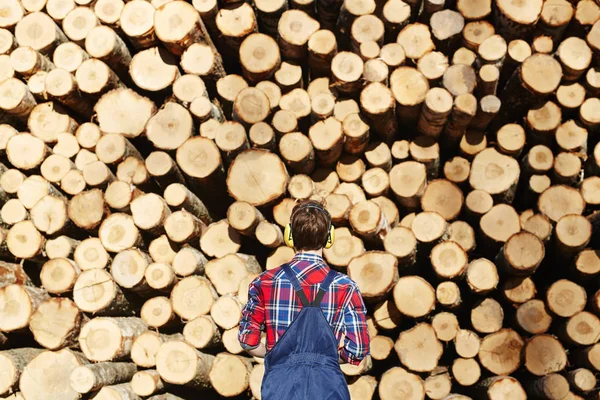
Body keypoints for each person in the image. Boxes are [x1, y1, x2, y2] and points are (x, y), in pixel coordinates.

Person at [238, 199, 370, 399]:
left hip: (280, 389)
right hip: (328, 390)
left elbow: (248, 341)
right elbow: (358, 349)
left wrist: (275, 354)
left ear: (289, 235)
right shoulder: (345, 286)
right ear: (329, 237)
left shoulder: (265, 282)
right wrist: (328, 360)